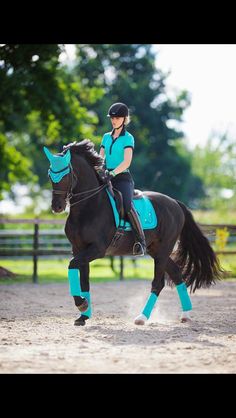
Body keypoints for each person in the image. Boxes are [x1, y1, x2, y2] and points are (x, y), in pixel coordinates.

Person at [99, 102, 146, 256]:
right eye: (112, 117)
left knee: (126, 204)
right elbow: (100, 157)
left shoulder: (128, 138)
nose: (114, 120)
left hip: (122, 178)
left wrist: (112, 173)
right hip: (106, 176)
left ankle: (140, 240)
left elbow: (126, 162)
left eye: (117, 117)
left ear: (124, 119)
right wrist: (99, 170)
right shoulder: (106, 137)